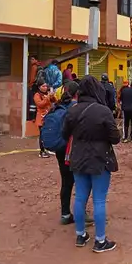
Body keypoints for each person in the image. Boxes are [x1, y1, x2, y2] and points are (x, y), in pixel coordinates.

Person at [61, 75, 119, 253]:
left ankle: (81, 235)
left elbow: (64, 135)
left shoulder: (73, 110)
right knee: (99, 200)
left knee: (80, 197)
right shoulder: (103, 111)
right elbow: (115, 138)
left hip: (78, 158)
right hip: (100, 159)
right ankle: (100, 241)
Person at [51, 80, 79, 225]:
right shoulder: (76, 107)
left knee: (66, 182)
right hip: (73, 149)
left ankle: (65, 214)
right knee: (80, 182)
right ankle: (81, 213)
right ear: (77, 93)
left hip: (60, 149)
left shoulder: (58, 105)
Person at [33, 83, 55, 157]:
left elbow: (54, 101)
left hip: (49, 117)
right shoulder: (37, 95)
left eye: (46, 86)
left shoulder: (47, 94)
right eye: (43, 86)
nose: (45, 87)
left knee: (49, 133)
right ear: (39, 87)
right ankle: (42, 151)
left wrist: (52, 96)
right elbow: (40, 104)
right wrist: (48, 97)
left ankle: (48, 149)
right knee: (42, 135)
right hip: (41, 118)